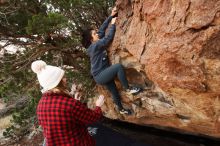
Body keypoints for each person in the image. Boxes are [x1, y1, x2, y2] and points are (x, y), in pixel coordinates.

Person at [81, 7, 141, 115]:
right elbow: (108, 38)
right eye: (94, 34)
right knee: (118, 67)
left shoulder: (94, 43)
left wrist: (111, 16)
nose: (97, 34)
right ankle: (128, 89)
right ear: (91, 40)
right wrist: (113, 24)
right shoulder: (95, 46)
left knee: (114, 91)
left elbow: (102, 30)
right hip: (100, 75)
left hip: (101, 74)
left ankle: (121, 109)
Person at [31, 60, 104, 146]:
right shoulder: (69, 104)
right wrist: (98, 106)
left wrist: (76, 102)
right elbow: (92, 118)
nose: (65, 79)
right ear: (57, 82)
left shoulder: (41, 105)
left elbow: (62, 118)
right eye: (63, 78)